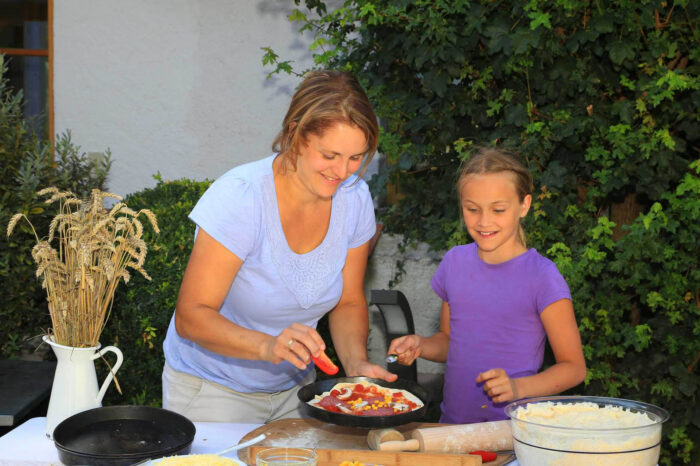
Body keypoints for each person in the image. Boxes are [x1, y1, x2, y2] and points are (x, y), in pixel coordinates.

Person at [161, 70, 397, 424]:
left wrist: (356, 365)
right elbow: (192, 316)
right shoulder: (241, 197)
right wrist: (268, 346)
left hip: (297, 392)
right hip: (212, 392)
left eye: (355, 158)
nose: (343, 171)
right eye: (330, 155)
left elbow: (348, 302)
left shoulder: (355, 198)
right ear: (296, 135)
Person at [387, 147, 586, 424]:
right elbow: (449, 341)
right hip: (453, 430)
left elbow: (574, 368)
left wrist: (518, 388)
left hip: (511, 436)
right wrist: (420, 345)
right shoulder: (454, 262)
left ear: (524, 205)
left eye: (498, 209)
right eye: (472, 209)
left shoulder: (543, 276)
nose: (484, 221)